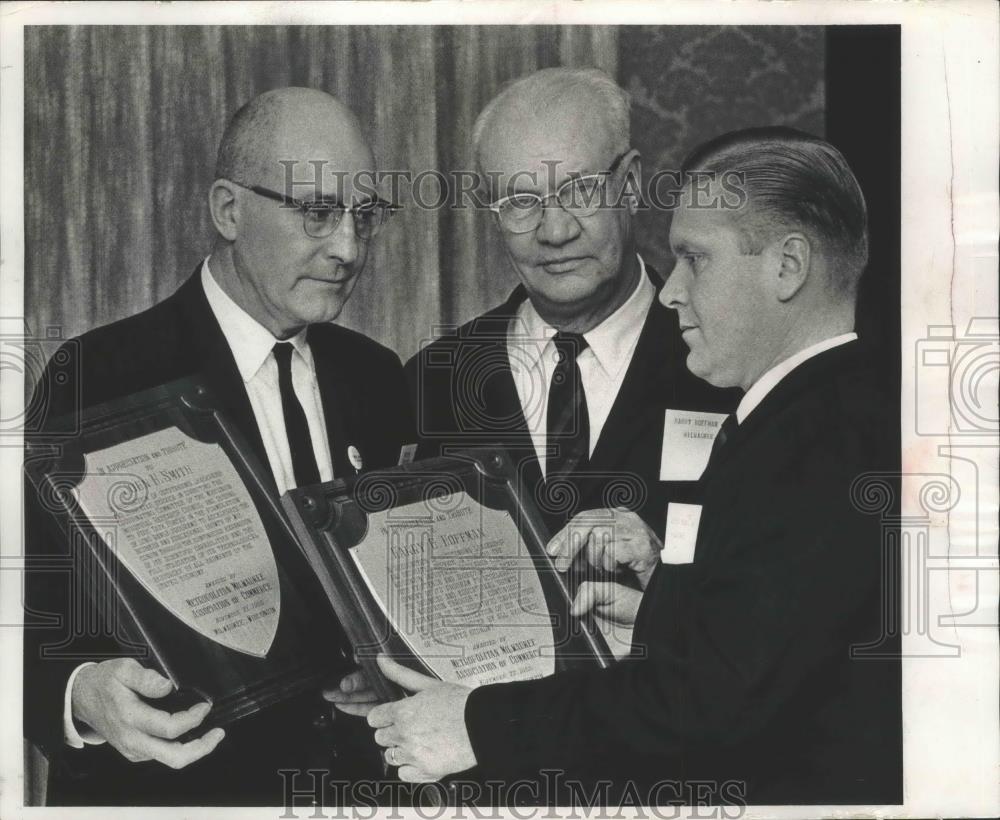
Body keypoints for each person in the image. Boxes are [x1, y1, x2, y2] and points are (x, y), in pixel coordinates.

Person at [360, 127, 903, 807]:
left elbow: (712, 708)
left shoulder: (821, 435)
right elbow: (760, 655)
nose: (672, 293)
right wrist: (661, 616)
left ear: (787, 267)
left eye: (695, 260)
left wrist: (474, 725)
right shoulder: (817, 418)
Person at [24, 87, 414, 805]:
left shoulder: (377, 377)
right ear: (228, 210)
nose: (349, 249)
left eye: (368, 216)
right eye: (318, 213)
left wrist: (387, 660)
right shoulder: (100, 375)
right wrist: (81, 695)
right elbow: (23, 615)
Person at [404, 68, 735, 548]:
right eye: (521, 201)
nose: (555, 231)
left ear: (630, 183)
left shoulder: (724, 369)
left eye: (580, 191)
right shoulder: (431, 382)